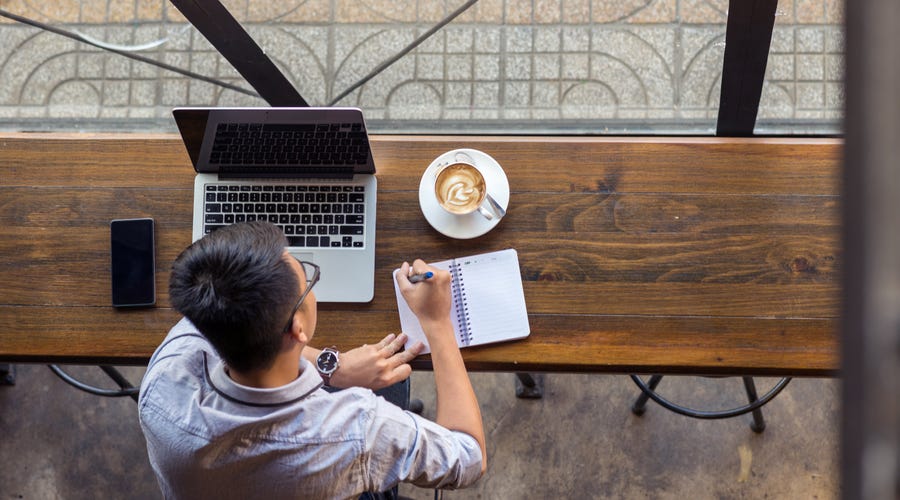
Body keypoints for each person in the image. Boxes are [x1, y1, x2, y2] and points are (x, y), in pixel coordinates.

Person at [138, 221, 486, 499]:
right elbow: (468, 458)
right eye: (308, 279)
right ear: (298, 328)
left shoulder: (163, 381)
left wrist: (333, 367)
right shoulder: (358, 429)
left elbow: (220, 326)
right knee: (395, 387)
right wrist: (437, 322)